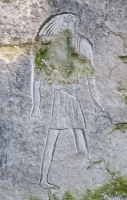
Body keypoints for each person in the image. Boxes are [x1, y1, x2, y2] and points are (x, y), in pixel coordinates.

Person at [31, 13, 104, 189]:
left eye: (73, 20)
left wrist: (97, 104)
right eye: (66, 20)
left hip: (71, 97)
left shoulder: (82, 44)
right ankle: (44, 179)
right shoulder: (50, 46)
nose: (70, 23)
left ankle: (87, 169)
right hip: (62, 97)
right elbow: (37, 77)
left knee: (76, 131)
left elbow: (90, 78)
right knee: (55, 136)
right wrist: (36, 106)